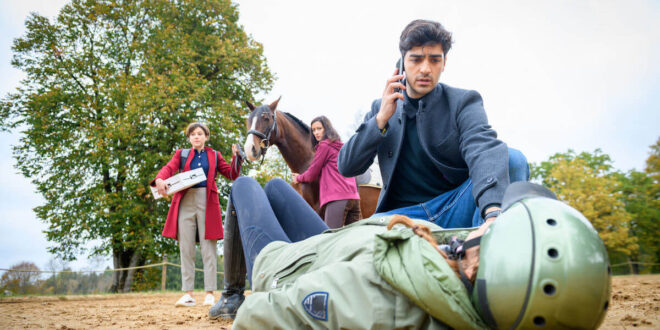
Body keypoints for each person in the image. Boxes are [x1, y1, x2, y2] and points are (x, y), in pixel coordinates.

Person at [211, 177, 610, 329]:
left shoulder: (383, 299)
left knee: (246, 186)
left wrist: (260, 295)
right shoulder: (458, 261)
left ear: (476, 269)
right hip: (332, 246)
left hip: (286, 267)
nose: (490, 220)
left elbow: (261, 319)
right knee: (279, 187)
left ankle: (231, 291)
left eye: (498, 228)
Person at [338, 19, 530, 230]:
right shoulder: (381, 108)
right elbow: (347, 166)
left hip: (452, 209)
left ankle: (487, 244)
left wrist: (493, 214)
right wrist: (380, 120)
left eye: (434, 60)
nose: (425, 69)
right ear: (402, 63)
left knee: (513, 159)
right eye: (416, 60)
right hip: (399, 217)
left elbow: (483, 148)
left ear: (444, 63)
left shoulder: (463, 102)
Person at [151, 122, 241, 307]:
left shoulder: (214, 155)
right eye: (193, 134)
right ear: (189, 138)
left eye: (200, 133)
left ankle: (209, 293)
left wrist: (236, 158)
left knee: (209, 248)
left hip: (207, 201)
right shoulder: (181, 154)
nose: (196, 136)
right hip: (184, 201)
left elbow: (232, 174)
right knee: (186, 247)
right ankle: (188, 294)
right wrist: (160, 179)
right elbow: (168, 168)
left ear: (206, 136)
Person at [292, 116, 361, 229]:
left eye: (319, 128)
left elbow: (312, 173)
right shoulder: (340, 146)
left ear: (327, 128)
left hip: (338, 198)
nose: (316, 133)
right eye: (313, 130)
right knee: (354, 239)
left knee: (330, 239)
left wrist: (299, 178)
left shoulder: (324, 146)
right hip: (354, 198)